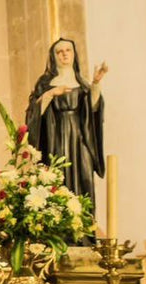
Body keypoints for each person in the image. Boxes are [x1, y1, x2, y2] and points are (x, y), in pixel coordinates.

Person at [24, 37, 109, 205]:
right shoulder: (45, 83)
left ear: (74, 54)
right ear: (53, 57)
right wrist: (50, 94)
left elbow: (92, 111)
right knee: (57, 178)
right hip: (55, 138)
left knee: (83, 176)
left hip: (80, 139)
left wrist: (96, 84)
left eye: (68, 50)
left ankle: (82, 225)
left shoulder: (82, 83)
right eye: (59, 52)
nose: (64, 54)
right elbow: (32, 114)